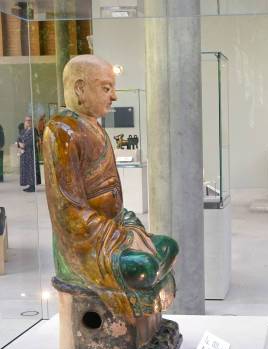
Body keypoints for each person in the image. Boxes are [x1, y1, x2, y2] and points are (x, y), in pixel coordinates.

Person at [42, 54, 178, 319]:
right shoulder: (62, 131)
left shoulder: (95, 128)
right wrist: (120, 236)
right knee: (145, 268)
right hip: (85, 246)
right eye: (106, 88)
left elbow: (110, 196)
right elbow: (68, 215)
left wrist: (128, 225)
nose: (114, 96)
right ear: (80, 88)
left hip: (111, 233)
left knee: (169, 246)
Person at [17, 115, 37, 192]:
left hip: (31, 153)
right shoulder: (23, 131)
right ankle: (29, 185)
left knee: (31, 169)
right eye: (26, 120)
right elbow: (18, 139)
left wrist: (25, 144)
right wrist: (19, 144)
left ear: (31, 122)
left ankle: (32, 186)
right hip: (24, 153)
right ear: (24, 122)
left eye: (29, 120)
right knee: (26, 169)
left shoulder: (34, 130)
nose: (28, 122)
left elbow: (33, 140)